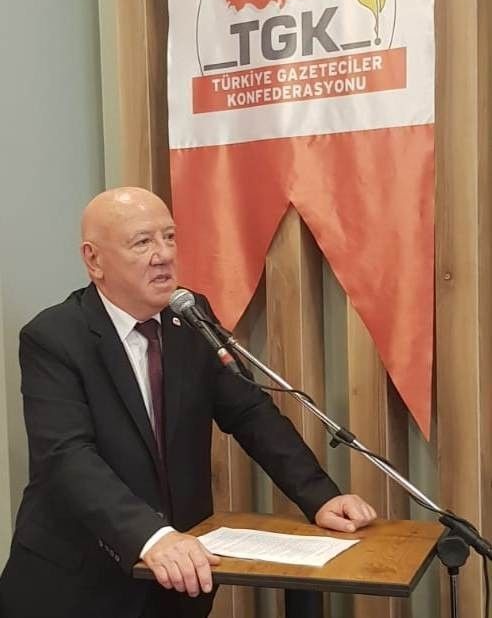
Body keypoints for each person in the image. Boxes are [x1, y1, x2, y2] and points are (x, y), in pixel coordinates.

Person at [0, 187, 376, 618]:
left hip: (176, 582)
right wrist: (151, 535)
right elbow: (66, 456)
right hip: (77, 585)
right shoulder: (54, 337)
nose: (163, 255)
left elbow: (250, 412)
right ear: (94, 260)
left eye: (169, 237)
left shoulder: (190, 316)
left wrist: (319, 496)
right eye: (142, 242)